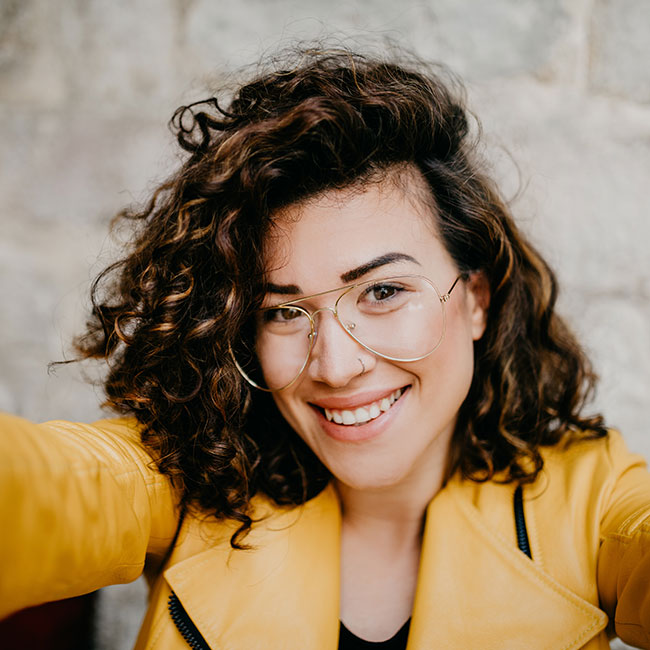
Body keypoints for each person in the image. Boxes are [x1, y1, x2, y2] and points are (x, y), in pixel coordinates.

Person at [1, 46, 649, 650]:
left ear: (476, 299)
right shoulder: (191, 478)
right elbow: (48, 490)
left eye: (383, 291)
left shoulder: (592, 500)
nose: (335, 366)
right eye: (283, 310)